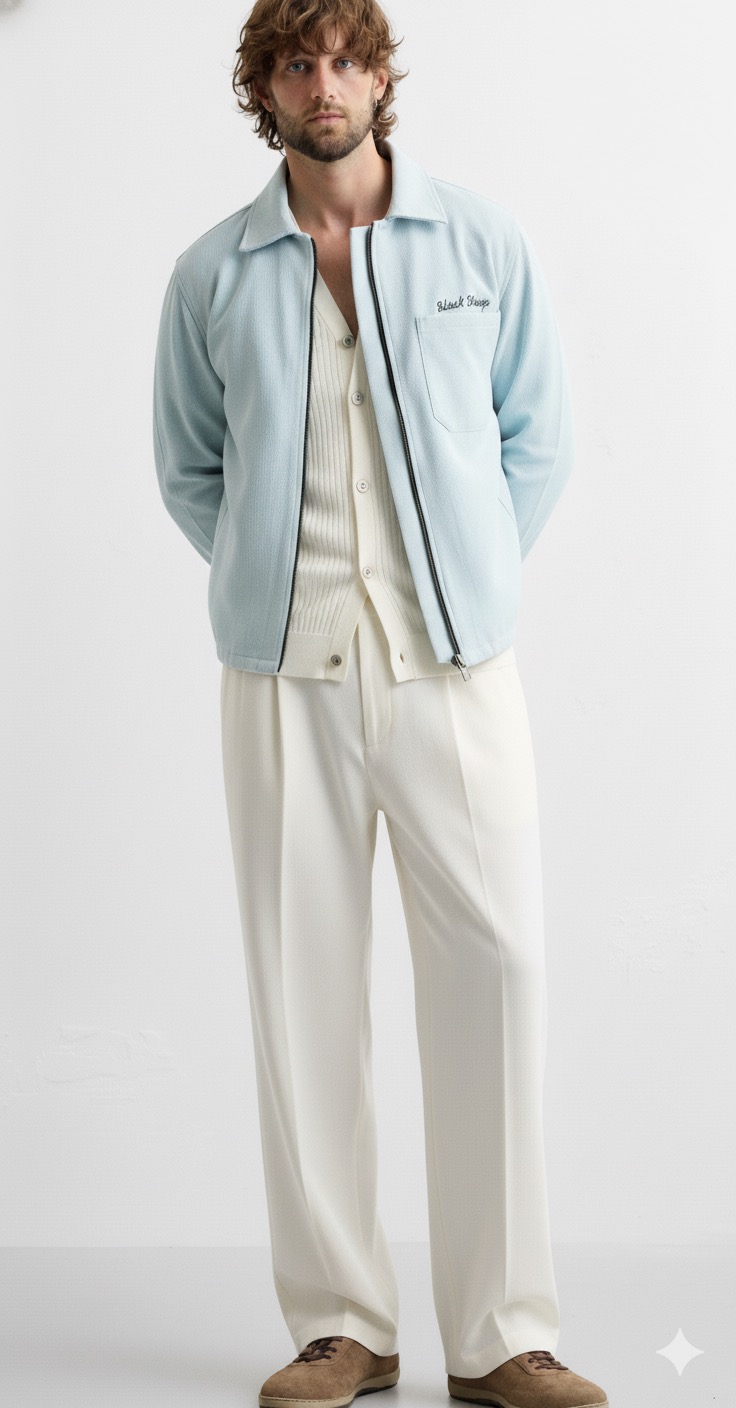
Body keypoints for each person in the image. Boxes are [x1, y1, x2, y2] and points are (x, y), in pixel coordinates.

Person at [152, 3, 608, 1406]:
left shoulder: (479, 243)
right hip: (283, 678)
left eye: (348, 57)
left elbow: (537, 438)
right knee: (302, 990)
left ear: (382, 73)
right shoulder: (212, 274)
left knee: (499, 971)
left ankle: (504, 1331)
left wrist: (465, 575)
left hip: (453, 670)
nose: (326, 83)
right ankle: (344, 1322)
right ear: (264, 88)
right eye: (297, 63)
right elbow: (190, 468)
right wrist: (268, 582)